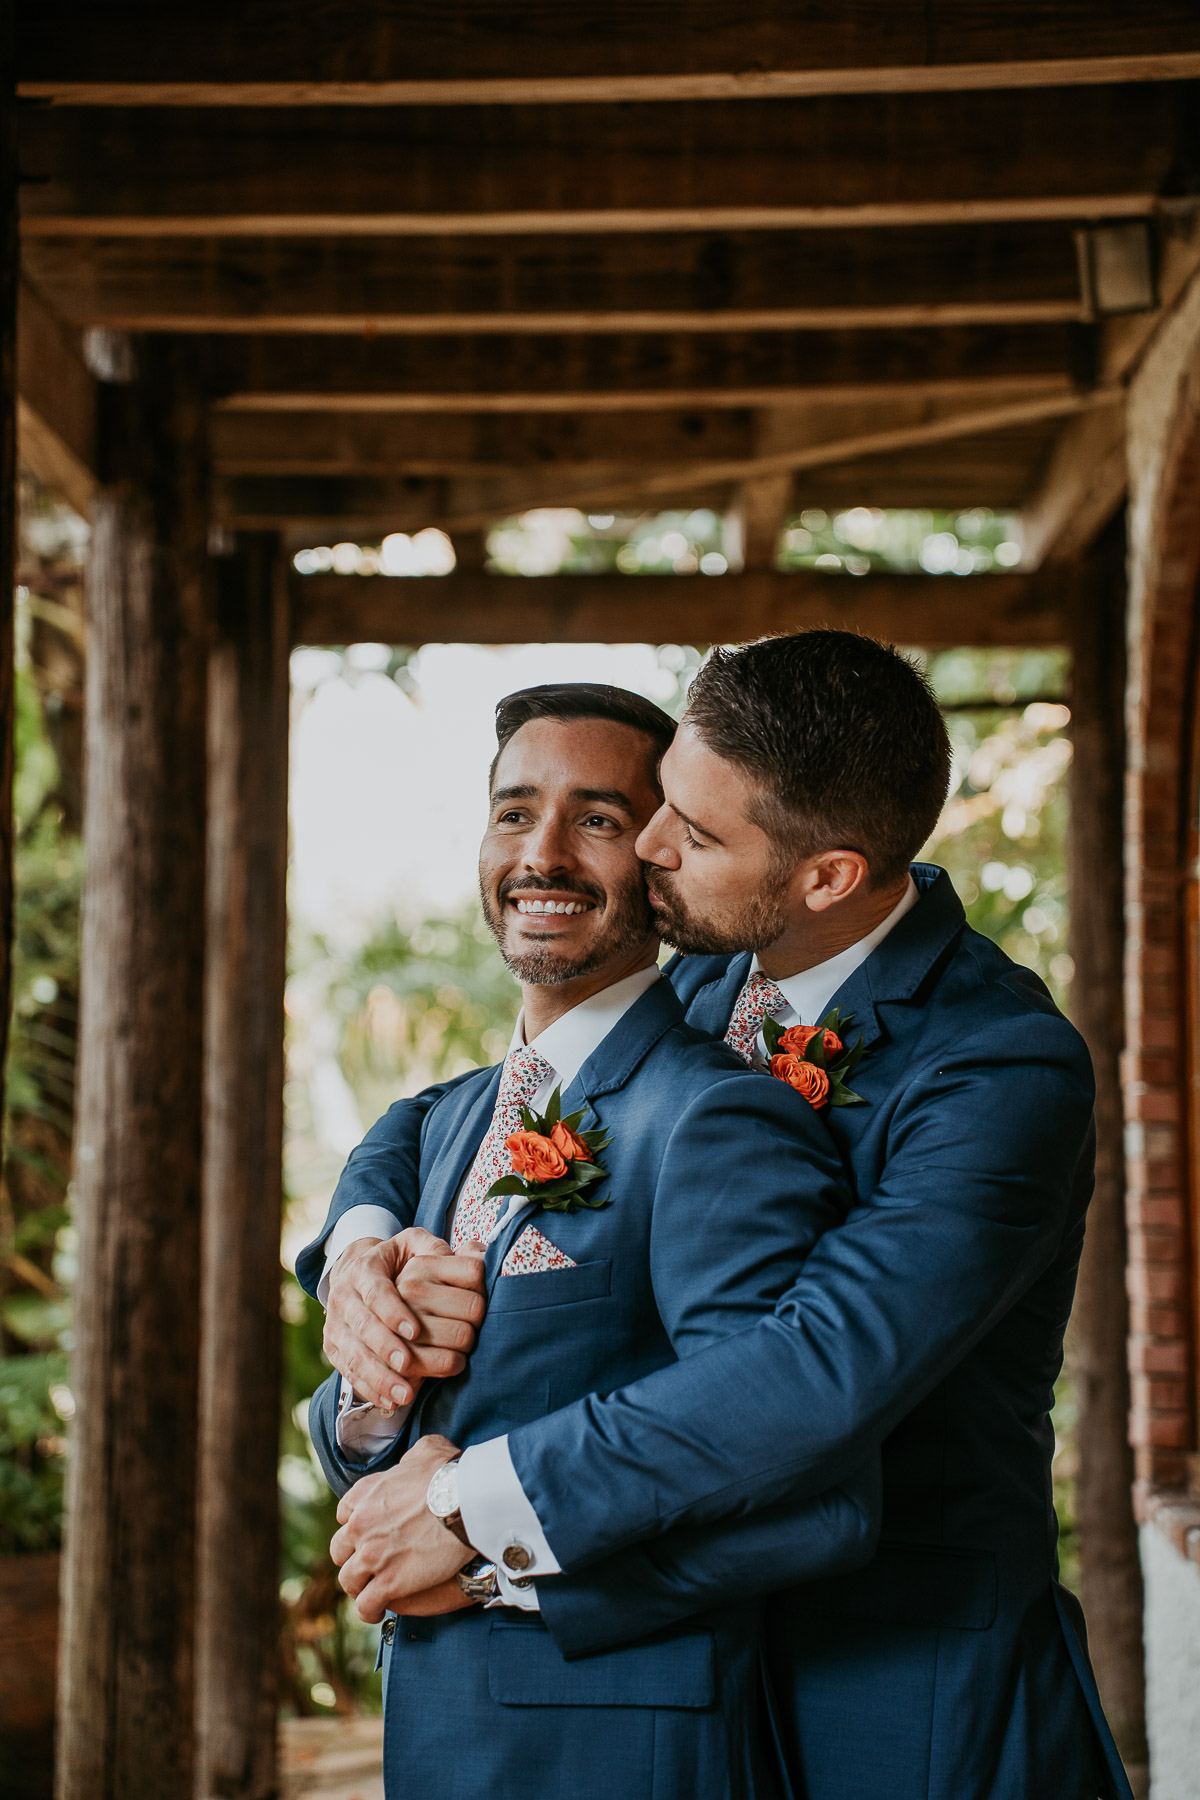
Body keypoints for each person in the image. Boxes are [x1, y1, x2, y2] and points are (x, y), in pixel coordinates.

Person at [305, 634, 1132, 1800]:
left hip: (895, 1686)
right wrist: (362, 1252)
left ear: (826, 876)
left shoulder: (998, 1068)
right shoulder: (710, 961)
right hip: (675, 1663)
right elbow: (458, 1103)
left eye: (689, 833)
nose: (647, 845)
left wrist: (469, 1509)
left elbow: (814, 1365)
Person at [307, 683, 880, 1800]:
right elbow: (393, 1435)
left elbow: (807, 1497)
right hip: (442, 1735)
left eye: (600, 819)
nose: (545, 854)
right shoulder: (459, 1117)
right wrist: (379, 1382)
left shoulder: (716, 1117)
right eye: (515, 812)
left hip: (623, 1747)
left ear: (661, 856)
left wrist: (487, 1566)